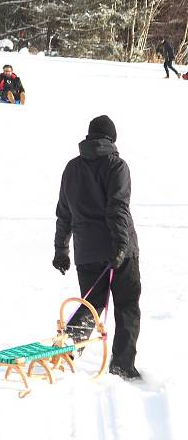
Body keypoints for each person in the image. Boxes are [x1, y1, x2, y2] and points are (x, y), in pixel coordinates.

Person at [52, 115, 142, 380]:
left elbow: (63, 213)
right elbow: (117, 207)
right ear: (112, 138)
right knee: (126, 306)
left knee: (93, 304)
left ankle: (68, 351)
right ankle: (122, 365)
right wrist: (121, 246)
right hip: (120, 252)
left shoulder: (72, 168)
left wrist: (61, 250)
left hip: (87, 252)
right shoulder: (117, 166)